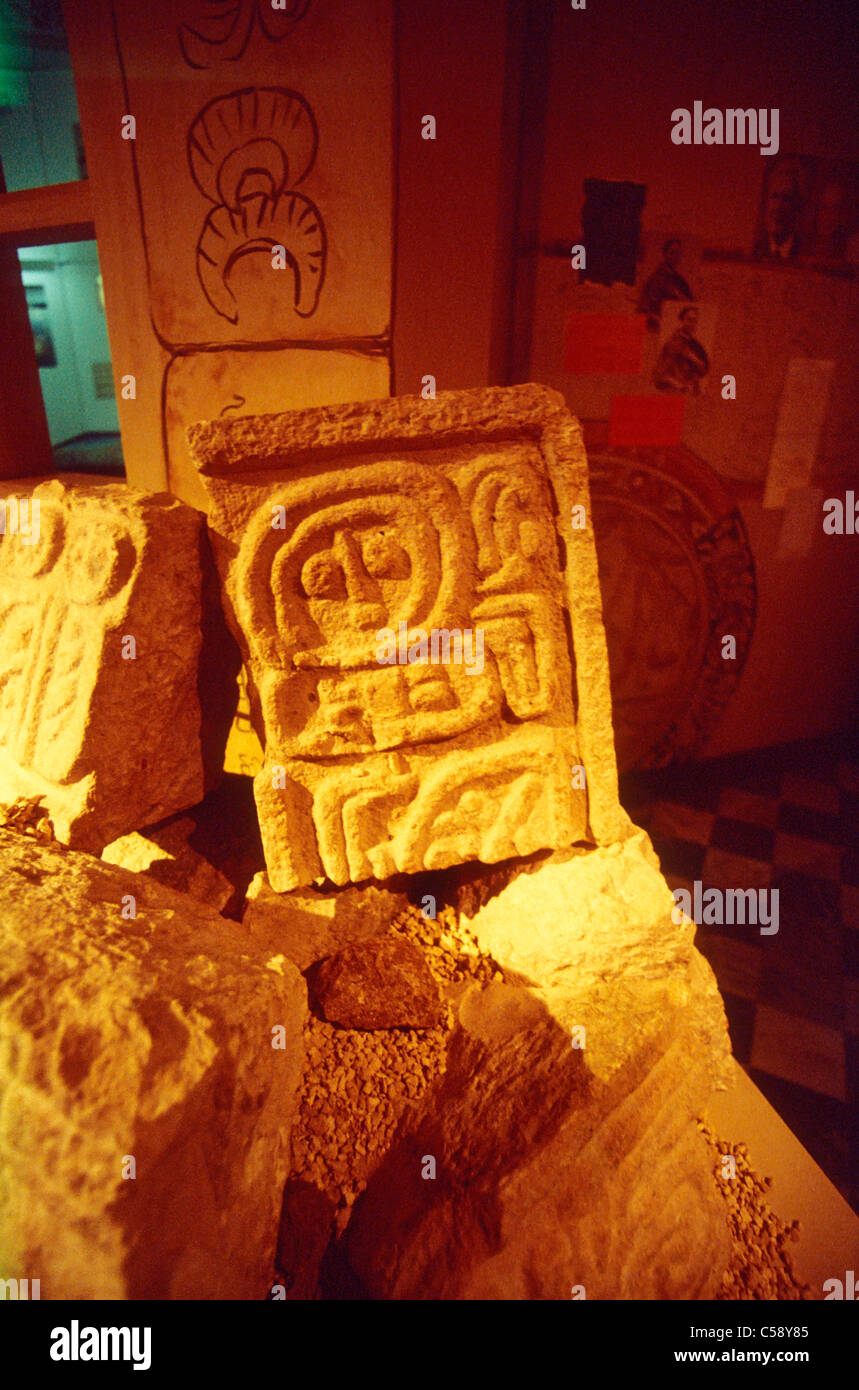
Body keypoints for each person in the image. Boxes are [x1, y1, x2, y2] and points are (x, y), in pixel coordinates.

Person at [753, 160, 804, 261]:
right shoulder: (754, 251)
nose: (778, 207)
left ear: (797, 207)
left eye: (786, 199)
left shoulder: (804, 254)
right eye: (774, 196)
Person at [637, 239, 693, 330]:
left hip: (677, 328)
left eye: (678, 253)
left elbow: (691, 305)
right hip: (658, 329)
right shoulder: (655, 279)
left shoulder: (681, 281)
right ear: (665, 254)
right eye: (672, 253)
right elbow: (644, 309)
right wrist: (661, 320)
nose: (675, 257)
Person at [653, 305, 709, 395]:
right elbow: (660, 375)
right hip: (675, 392)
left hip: (693, 392)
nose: (693, 324)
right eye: (689, 320)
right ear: (681, 321)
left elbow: (704, 369)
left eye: (695, 321)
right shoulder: (671, 343)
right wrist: (678, 385)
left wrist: (695, 360)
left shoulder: (696, 345)